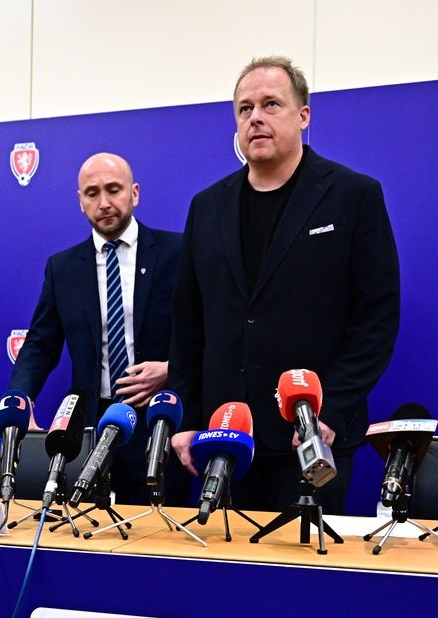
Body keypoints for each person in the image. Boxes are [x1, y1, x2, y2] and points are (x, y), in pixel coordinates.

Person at [169, 56, 400, 514]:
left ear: (303, 115)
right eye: (245, 108)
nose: (255, 117)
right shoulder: (206, 206)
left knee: (306, 562)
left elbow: (377, 318)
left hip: (313, 437)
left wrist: (330, 410)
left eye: (271, 104)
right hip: (227, 438)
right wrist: (186, 417)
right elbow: (188, 323)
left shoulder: (353, 196)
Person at [10, 152, 187, 505]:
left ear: (134, 193)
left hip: (160, 422)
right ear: (80, 201)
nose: (104, 202)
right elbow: (41, 345)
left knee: (160, 530)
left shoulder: (178, 252)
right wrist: (20, 397)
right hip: (89, 429)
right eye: (92, 193)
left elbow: (209, 333)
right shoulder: (63, 268)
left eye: (114, 190)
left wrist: (172, 369)